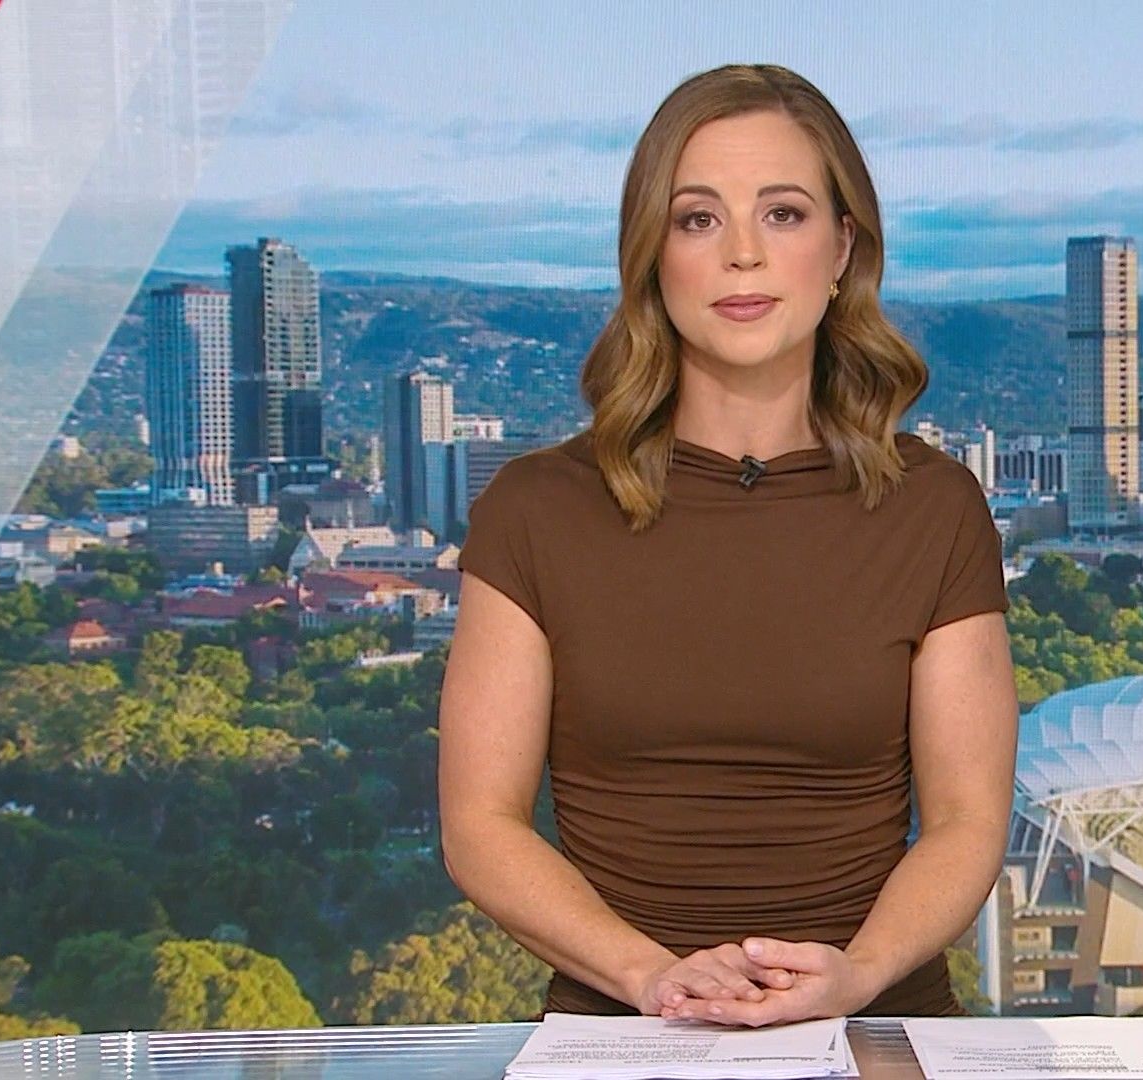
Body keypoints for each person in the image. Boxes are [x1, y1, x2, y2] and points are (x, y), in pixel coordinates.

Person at [437, 63, 1016, 1028]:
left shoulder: (935, 508)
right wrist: (650, 977)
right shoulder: (535, 511)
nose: (743, 254)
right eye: (698, 218)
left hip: (874, 1029)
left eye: (783, 214)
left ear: (843, 247)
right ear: (652, 255)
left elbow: (967, 822)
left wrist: (858, 974)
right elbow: (479, 827)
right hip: (625, 1038)